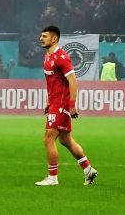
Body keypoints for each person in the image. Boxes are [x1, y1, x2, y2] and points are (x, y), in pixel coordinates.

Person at [35, 25, 98, 186]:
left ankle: (52, 178)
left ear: (54, 39)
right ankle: (88, 170)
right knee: (65, 140)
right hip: (55, 102)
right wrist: (49, 102)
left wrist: (71, 105)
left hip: (62, 104)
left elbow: (73, 81)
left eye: (45, 36)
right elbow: (53, 83)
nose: (41, 38)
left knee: (48, 139)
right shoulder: (47, 56)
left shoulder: (61, 57)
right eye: (41, 36)